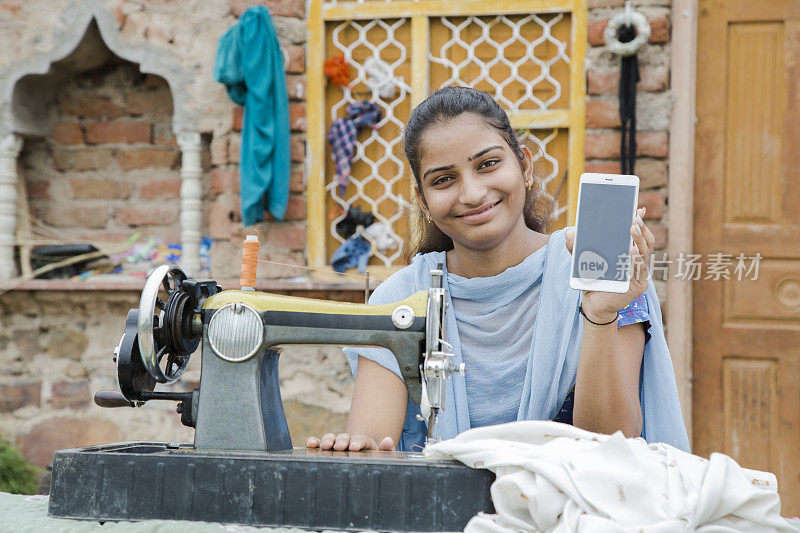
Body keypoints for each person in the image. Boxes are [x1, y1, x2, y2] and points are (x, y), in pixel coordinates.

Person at [306, 86, 689, 453]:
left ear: (524, 166)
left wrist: (600, 315)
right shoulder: (400, 300)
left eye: (488, 164)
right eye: (444, 180)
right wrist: (355, 450)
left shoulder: (600, 276)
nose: (472, 194)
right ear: (423, 202)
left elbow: (611, 442)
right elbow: (373, 443)